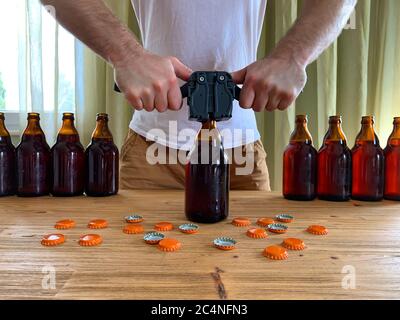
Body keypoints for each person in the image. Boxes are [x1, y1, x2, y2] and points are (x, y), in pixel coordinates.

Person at [40, 0, 357, 190]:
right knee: (141, 279)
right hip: (153, 152)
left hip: (240, 155)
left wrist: (292, 58)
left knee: (252, 279)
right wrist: (125, 54)